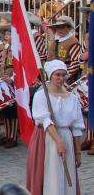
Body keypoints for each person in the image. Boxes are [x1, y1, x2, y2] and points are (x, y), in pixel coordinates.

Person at [26, 60, 85, 195]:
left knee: (67, 174)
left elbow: (76, 127)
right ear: (50, 75)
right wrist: (59, 142)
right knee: (50, 174)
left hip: (66, 137)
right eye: (57, 75)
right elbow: (45, 120)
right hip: (46, 137)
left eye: (63, 75)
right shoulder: (41, 96)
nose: (61, 78)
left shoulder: (72, 98)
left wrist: (78, 152)